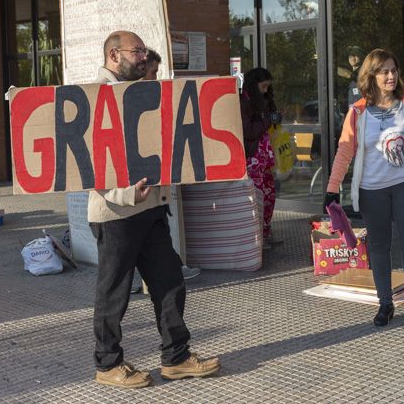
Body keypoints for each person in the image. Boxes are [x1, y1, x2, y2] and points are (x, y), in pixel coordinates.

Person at [88, 30, 220, 389]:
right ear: (114, 55)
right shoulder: (94, 96)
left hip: (150, 209)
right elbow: (88, 164)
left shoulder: (142, 92)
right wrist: (127, 193)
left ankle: (176, 357)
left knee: (170, 282)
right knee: (113, 292)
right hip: (116, 213)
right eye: (138, 51)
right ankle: (107, 364)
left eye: (145, 52)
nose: (144, 58)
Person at [324, 48, 404, 328]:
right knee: (379, 246)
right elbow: (344, 151)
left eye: (394, 70)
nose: (390, 76)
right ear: (371, 76)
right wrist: (332, 187)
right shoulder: (358, 112)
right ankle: (385, 305)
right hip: (372, 189)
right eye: (384, 71)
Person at [141, 47, 202, 281]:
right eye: (153, 72)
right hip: (145, 188)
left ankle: (172, 270)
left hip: (156, 188)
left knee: (160, 236)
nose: (155, 78)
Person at [240, 67, 283, 249]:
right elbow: (249, 131)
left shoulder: (260, 101)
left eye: (268, 87)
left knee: (269, 197)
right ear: (253, 84)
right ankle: (258, 238)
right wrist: (267, 119)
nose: (265, 91)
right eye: (263, 87)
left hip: (264, 160)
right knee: (258, 199)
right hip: (253, 160)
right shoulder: (244, 102)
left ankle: (265, 233)